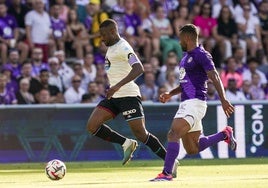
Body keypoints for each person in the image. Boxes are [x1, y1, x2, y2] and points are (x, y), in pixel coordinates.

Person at [150, 24, 237, 181]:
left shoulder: (201, 54)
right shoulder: (185, 58)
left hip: (195, 103)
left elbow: (215, 76)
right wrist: (170, 93)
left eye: (180, 38)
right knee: (192, 148)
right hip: (187, 102)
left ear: (188, 38)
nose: (179, 41)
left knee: (173, 133)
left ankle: (166, 173)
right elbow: (185, 84)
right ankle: (225, 134)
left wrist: (223, 99)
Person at [86, 19, 171, 172]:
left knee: (141, 134)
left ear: (113, 32)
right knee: (92, 125)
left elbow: (139, 68)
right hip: (114, 96)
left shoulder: (123, 47)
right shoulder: (111, 47)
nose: (102, 38)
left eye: (104, 35)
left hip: (128, 96)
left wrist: (117, 86)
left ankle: (170, 161)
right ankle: (126, 143)